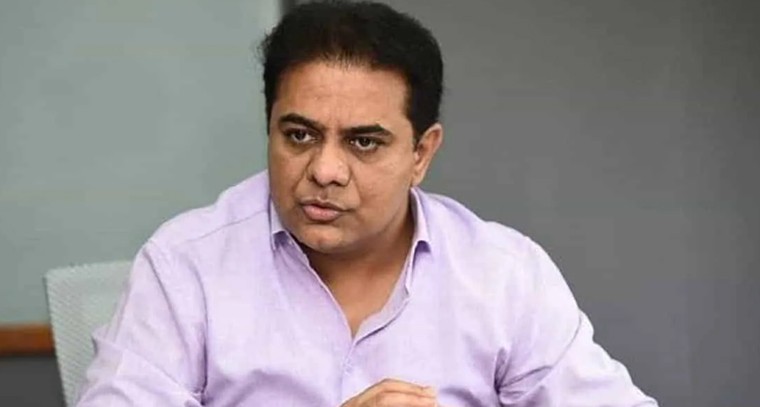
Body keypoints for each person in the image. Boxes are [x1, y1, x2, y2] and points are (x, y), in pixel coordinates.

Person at [77, 1, 658, 406]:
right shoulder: (185, 264)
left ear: (421, 154)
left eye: (363, 142)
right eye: (299, 135)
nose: (324, 171)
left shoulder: (504, 275)